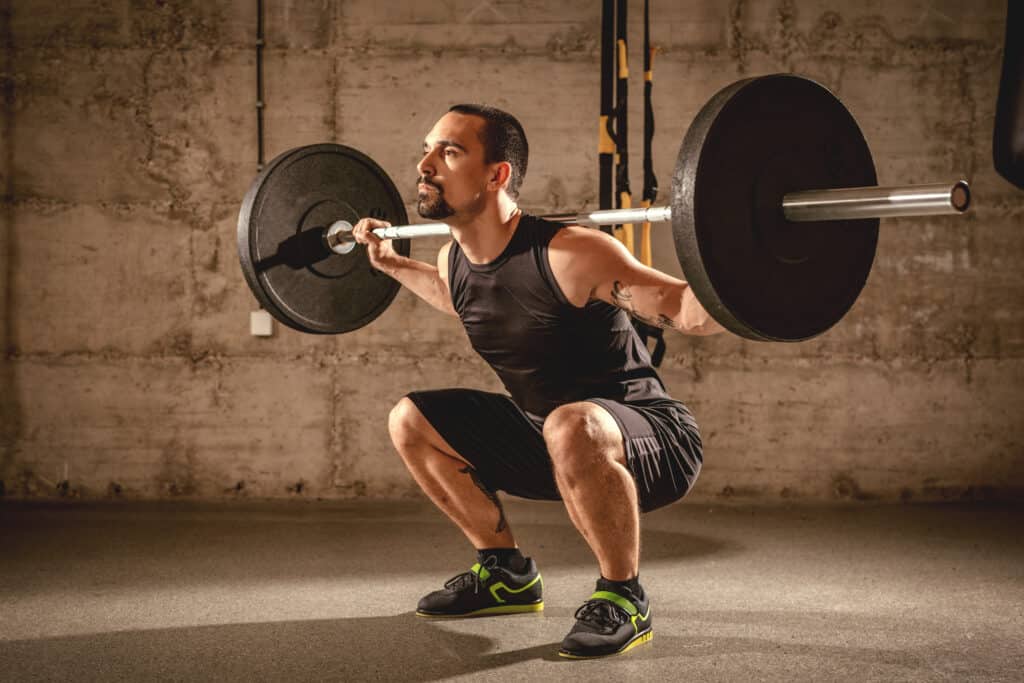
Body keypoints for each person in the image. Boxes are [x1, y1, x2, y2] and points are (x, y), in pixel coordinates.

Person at [351, 104, 724, 659]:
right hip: (550, 437)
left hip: (651, 440)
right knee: (411, 419)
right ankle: (506, 573)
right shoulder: (456, 259)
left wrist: (739, 258)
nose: (425, 165)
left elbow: (687, 310)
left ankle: (625, 597)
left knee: (570, 421)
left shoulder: (570, 252)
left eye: (449, 152)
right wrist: (392, 264)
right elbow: (471, 304)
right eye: (428, 149)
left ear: (497, 175)